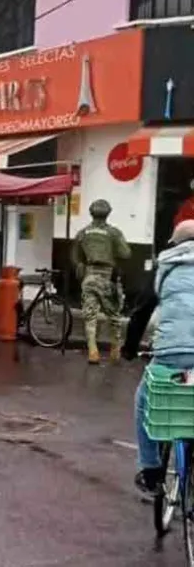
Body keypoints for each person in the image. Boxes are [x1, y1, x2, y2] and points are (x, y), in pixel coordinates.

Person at [134, 220, 194, 494]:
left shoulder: (165, 267)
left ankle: (151, 470)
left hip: (172, 353)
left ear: (174, 243)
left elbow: (142, 310)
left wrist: (128, 347)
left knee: (145, 403)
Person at [73, 199, 132, 364]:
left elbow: (76, 255)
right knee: (114, 315)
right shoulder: (114, 233)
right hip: (107, 278)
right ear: (108, 213)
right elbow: (126, 253)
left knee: (90, 315)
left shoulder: (83, 232)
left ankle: (93, 351)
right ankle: (115, 351)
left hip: (89, 277)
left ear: (91, 213)